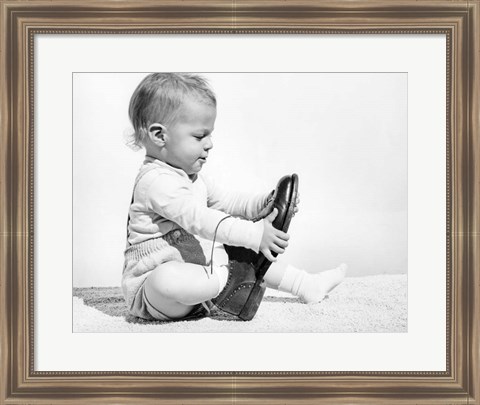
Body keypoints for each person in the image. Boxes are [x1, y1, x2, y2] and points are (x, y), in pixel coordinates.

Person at [121, 73, 346, 322]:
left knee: (237, 250)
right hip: (156, 297)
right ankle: (229, 279)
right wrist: (255, 235)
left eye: (210, 134)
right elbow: (201, 220)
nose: (210, 144)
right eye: (199, 136)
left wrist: (262, 205)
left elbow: (225, 201)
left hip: (199, 283)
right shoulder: (156, 182)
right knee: (168, 278)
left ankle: (305, 284)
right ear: (159, 135)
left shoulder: (192, 177)